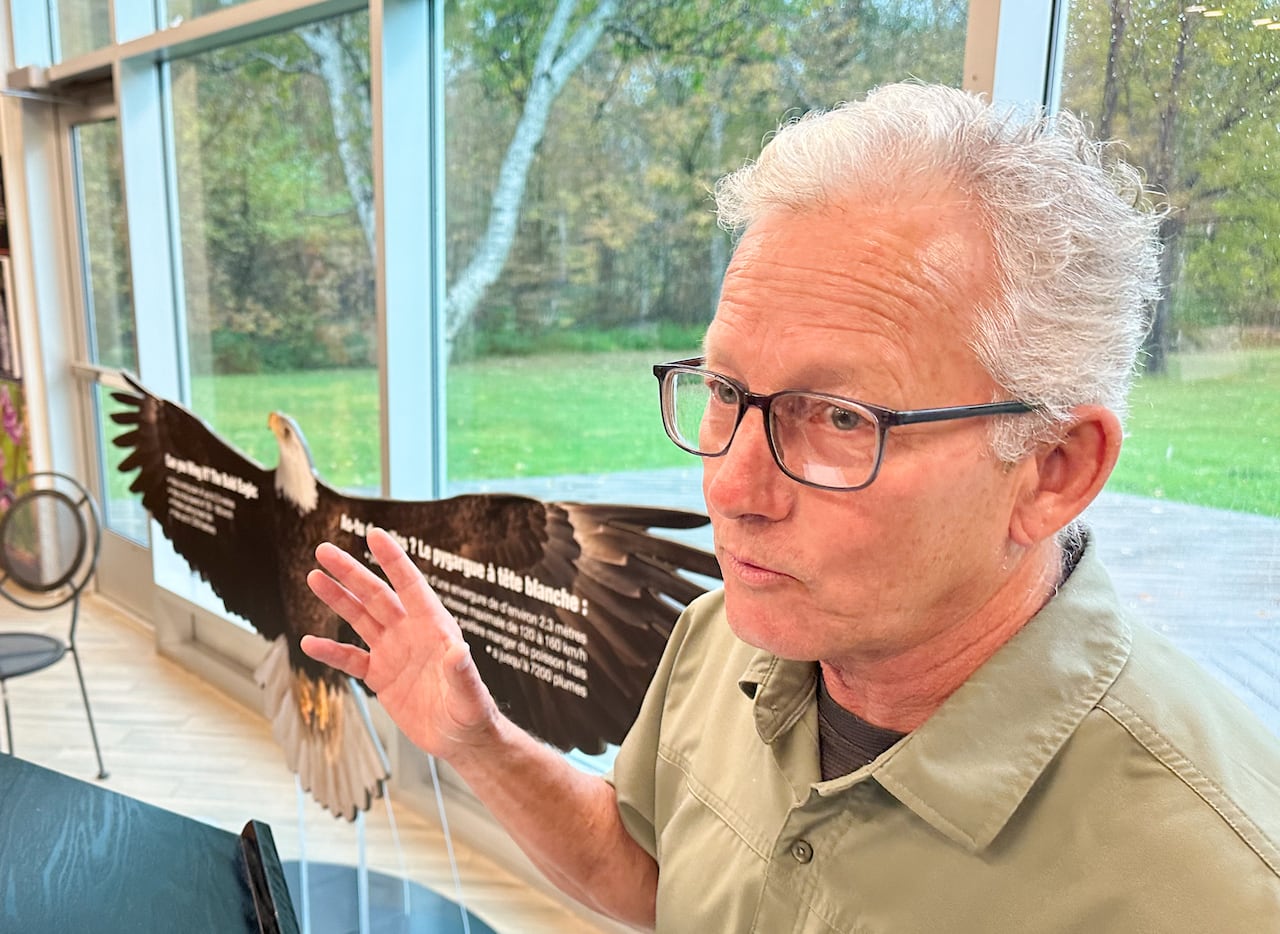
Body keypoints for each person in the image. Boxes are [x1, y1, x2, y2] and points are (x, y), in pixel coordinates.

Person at [301, 82, 1280, 931]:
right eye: (723, 392)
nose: (728, 487)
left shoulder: (1219, 887)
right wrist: (477, 738)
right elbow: (653, 874)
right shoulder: (724, 634)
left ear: (1052, 467)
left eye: (840, 418)